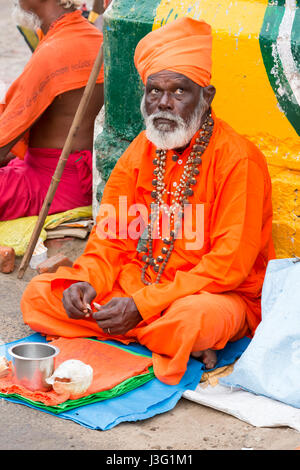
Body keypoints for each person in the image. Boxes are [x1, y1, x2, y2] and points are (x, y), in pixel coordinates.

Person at [21, 17, 275, 385]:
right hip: (141, 283)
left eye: (179, 92)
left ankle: (156, 333)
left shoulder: (239, 159)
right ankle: (162, 340)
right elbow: (111, 239)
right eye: (154, 91)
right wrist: (88, 282)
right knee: (40, 294)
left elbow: (229, 266)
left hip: (211, 295)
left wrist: (142, 307)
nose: (163, 104)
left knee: (194, 320)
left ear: (206, 96)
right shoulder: (142, 150)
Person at [0, 0, 104, 221]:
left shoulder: (54, 50)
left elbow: (2, 145)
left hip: (51, 186)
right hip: (79, 178)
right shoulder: (95, 37)